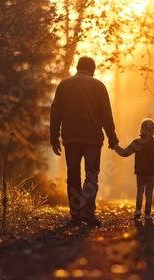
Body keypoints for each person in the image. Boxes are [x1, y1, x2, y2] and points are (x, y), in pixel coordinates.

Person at [50, 56, 119, 227]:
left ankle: (75, 213)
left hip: (71, 138)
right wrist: (112, 137)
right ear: (93, 70)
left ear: (77, 67)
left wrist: (54, 138)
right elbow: (106, 115)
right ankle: (88, 211)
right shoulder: (99, 86)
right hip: (93, 139)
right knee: (91, 175)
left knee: (73, 176)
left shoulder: (64, 85)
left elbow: (55, 113)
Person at [115, 118, 154, 221]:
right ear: (153, 132)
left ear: (142, 130)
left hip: (140, 172)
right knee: (149, 193)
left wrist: (116, 147)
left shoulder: (137, 143)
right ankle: (147, 214)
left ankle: (138, 210)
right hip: (151, 173)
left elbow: (125, 153)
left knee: (140, 191)